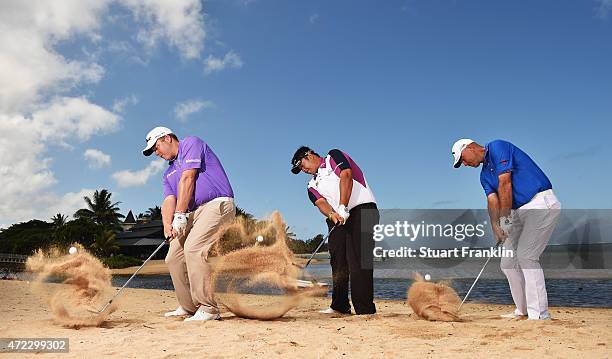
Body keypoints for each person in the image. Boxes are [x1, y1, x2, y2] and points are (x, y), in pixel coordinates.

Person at [452, 138, 561, 320]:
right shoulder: (484, 176)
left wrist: (505, 220)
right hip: (517, 212)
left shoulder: (497, 147)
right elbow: (492, 200)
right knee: (508, 263)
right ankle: (523, 310)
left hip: (540, 202)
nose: (464, 164)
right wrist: (496, 226)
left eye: (462, 159)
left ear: (469, 147)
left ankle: (540, 315)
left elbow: (505, 183)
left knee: (527, 256)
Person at [142, 126, 235, 321]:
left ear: (167, 138)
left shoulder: (190, 143)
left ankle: (209, 308)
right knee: (173, 257)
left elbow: (188, 178)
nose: (156, 153)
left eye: (156, 147)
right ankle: (189, 306)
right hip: (191, 212)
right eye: (153, 151)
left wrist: (180, 215)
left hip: (216, 204)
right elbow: (169, 200)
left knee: (193, 248)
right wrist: (168, 224)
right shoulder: (167, 173)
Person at [291, 146, 379, 315]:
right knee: (338, 261)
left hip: (362, 209)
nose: (303, 170)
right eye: (300, 169)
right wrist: (332, 214)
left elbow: (346, 175)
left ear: (308, 155)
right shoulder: (311, 185)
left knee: (359, 260)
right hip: (337, 218)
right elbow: (321, 203)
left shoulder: (333, 157)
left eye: (302, 165)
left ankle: (365, 309)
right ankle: (340, 306)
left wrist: (343, 206)